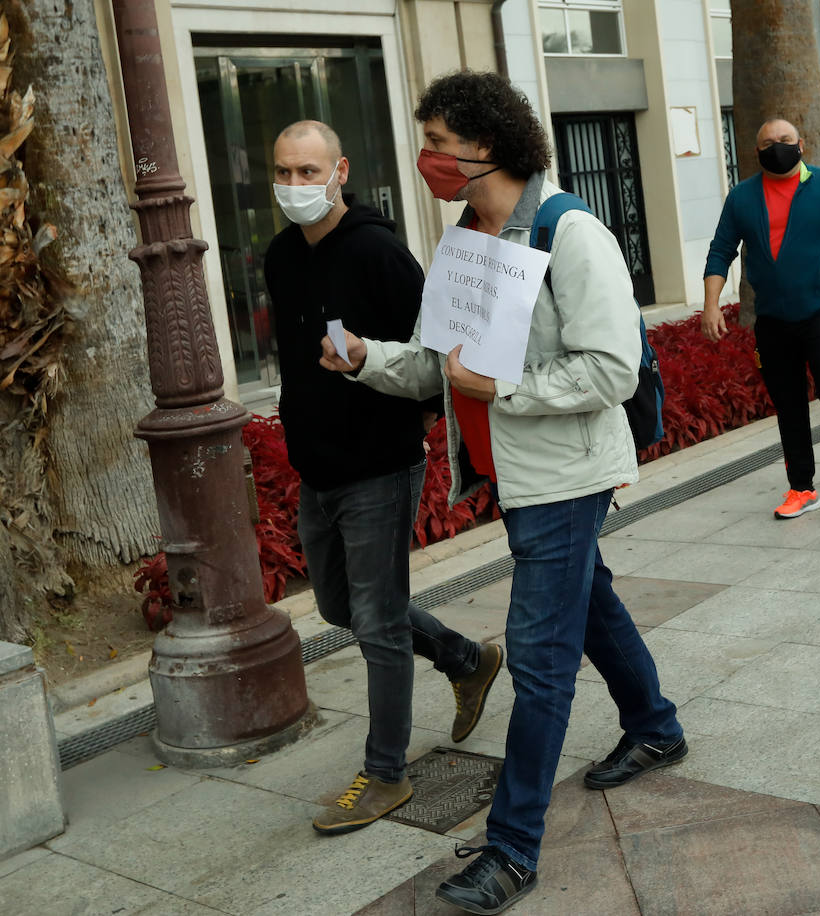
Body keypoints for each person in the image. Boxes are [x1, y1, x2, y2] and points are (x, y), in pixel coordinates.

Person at [320, 72, 684, 915]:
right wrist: (365, 358)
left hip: (565, 478)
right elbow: (434, 366)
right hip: (518, 477)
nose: (429, 160)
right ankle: (656, 725)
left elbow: (610, 368)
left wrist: (504, 388)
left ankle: (513, 848)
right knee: (588, 605)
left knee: (540, 658)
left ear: (491, 149)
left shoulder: (572, 233)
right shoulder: (463, 245)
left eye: (441, 144)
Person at [263, 120, 503, 836]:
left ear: (339, 171)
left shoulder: (376, 251)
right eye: (284, 172)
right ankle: (465, 658)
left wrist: (407, 424)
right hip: (319, 468)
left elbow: (436, 352)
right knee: (342, 609)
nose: (296, 186)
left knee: (375, 624)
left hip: (379, 465)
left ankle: (387, 774)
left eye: (309, 172)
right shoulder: (280, 256)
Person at [701, 118, 820, 519]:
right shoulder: (742, 197)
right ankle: (802, 487)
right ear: (756, 151)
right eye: (767, 142)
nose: (776, 147)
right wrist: (711, 304)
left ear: (800, 144)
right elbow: (720, 251)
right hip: (773, 318)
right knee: (788, 403)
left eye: (784, 140)